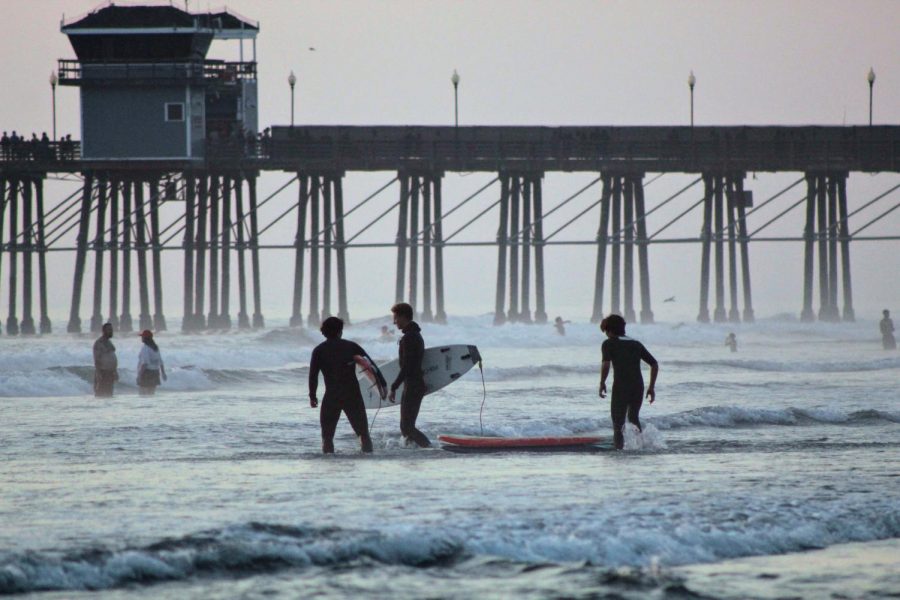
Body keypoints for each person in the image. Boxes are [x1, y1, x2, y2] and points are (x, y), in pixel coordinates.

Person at [308, 316, 383, 454]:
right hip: (352, 395)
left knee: (327, 437)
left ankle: (329, 461)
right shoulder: (351, 346)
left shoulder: (319, 350)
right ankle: (368, 458)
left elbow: (313, 376)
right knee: (363, 434)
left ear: (323, 332)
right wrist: (382, 386)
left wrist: (312, 396)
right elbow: (371, 366)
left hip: (332, 395)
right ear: (340, 331)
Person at [599, 314, 659, 450]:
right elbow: (654, 364)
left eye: (605, 331)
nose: (606, 335)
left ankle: (618, 450)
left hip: (621, 386)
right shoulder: (635, 344)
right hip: (638, 386)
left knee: (618, 423)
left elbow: (606, 364)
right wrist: (651, 387)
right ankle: (640, 446)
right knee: (633, 417)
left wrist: (602, 382)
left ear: (609, 330)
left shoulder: (608, 343)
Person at [388, 302, 431, 448]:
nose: (394, 322)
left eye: (396, 318)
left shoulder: (410, 338)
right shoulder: (414, 335)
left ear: (403, 317)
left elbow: (408, 366)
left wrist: (394, 386)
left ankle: (430, 448)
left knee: (407, 426)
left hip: (414, 385)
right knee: (406, 426)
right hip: (413, 384)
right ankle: (412, 450)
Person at [136, 330, 167, 395]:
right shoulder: (155, 347)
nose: (141, 338)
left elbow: (145, 363)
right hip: (155, 372)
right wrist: (163, 373)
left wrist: (139, 375)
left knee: (142, 394)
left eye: (142, 337)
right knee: (151, 394)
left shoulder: (145, 348)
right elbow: (160, 361)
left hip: (147, 373)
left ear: (145, 338)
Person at [93, 323, 118, 397]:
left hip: (110, 372)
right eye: (109, 330)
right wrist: (98, 373)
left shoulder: (109, 342)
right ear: (104, 331)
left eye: (111, 330)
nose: (111, 331)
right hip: (103, 372)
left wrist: (115, 371)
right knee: (101, 394)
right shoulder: (99, 342)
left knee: (109, 395)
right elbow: (97, 359)